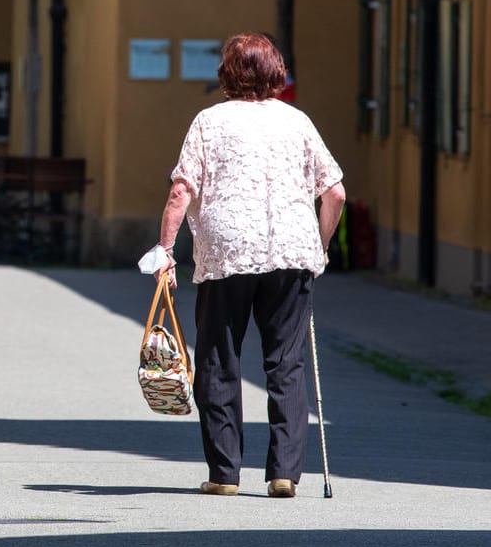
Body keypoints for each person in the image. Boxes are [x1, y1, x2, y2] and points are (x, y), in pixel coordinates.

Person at [148, 33, 345, 500]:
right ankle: (284, 473)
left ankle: (224, 474)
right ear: (276, 70)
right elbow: (333, 191)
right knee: (286, 362)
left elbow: (181, 191)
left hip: (226, 252)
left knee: (219, 358)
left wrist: (165, 251)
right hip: (291, 252)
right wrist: (319, 246)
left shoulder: (209, 121)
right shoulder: (297, 121)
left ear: (228, 73)